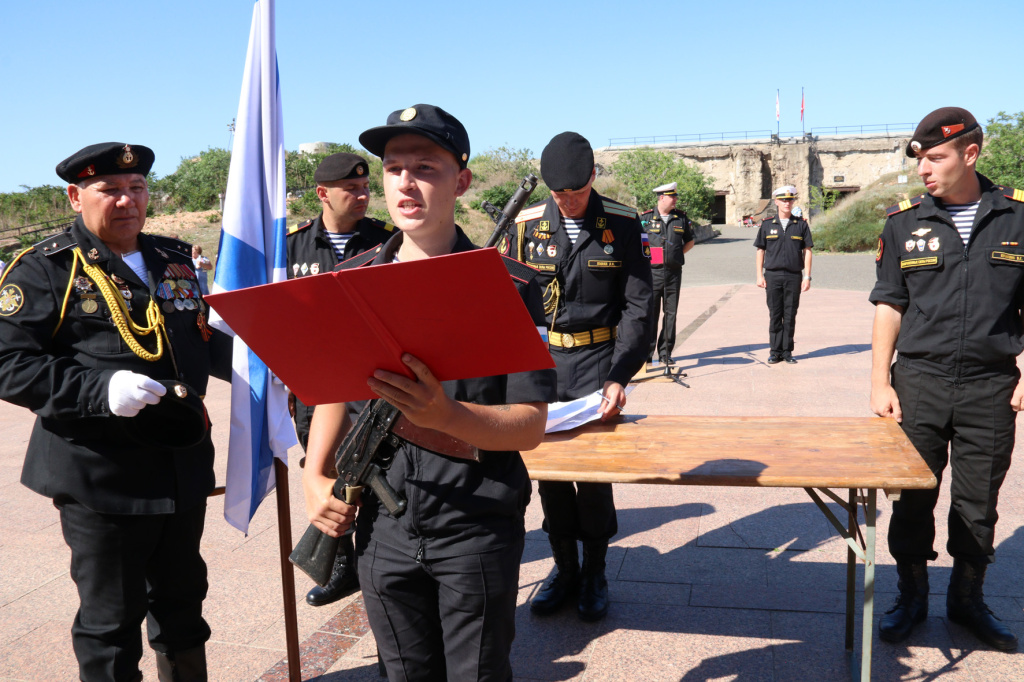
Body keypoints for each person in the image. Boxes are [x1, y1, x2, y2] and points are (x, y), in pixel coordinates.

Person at [300, 104, 556, 680]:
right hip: (381, 526)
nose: (406, 183)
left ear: (461, 181)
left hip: (474, 523)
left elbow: (530, 426)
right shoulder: (354, 280)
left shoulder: (512, 286)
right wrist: (314, 474)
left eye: (426, 167)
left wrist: (444, 414)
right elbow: (333, 394)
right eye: (393, 168)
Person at [0, 142, 232, 681]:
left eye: (138, 188)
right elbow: (8, 362)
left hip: (180, 464)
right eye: (110, 189)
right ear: (76, 196)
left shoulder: (172, 258)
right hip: (102, 475)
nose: (127, 200)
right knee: (111, 620)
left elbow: (197, 340)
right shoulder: (45, 269)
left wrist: (261, 363)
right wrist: (97, 389)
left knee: (183, 606)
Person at [870, 106, 1023, 651]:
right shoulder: (904, 221)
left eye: (936, 158)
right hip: (919, 381)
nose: (924, 171)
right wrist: (878, 382)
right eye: (921, 159)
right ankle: (910, 596)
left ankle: (967, 598)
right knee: (913, 496)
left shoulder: (1017, 219)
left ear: (971, 154)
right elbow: (889, 304)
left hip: (990, 384)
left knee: (978, 500)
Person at [502, 131, 653, 621]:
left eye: (576, 192)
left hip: (598, 362)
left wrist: (620, 375)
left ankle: (595, 572)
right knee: (550, 475)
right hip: (543, 365)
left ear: (593, 177)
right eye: (558, 194)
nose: (566, 202)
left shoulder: (624, 223)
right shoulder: (524, 225)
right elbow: (508, 303)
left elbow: (638, 305)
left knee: (591, 477)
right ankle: (563, 569)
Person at [285, 151, 394, 607]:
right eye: (351, 189)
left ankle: (377, 558)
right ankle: (341, 564)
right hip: (314, 386)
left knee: (373, 468)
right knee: (325, 469)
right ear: (323, 194)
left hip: (372, 386)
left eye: (366, 187)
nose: (363, 195)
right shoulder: (291, 248)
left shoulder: (388, 242)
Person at [754, 185, 813, 364]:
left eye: (791, 199)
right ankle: (774, 351)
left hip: (794, 276)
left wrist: (807, 276)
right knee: (775, 314)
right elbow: (760, 251)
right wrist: (759, 275)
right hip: (772, 275)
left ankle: (787, 352)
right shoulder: (766, 224)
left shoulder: (801, 225)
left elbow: (808, 251)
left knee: (790, 314)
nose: (788, 203)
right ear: (777, 202)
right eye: (784, 200)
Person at [640, 182, 694, 366]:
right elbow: (638, 244)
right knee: (651, 314)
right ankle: (647, 353)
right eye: (672, 196)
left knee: (671, 314)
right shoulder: (645, 219)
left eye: (676, 196)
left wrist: (676, 255)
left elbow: (690, 241)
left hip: (673, 273)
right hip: (652, 274)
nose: (676, 199)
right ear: (661, 198)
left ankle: (665, 353)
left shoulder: (681, 218)